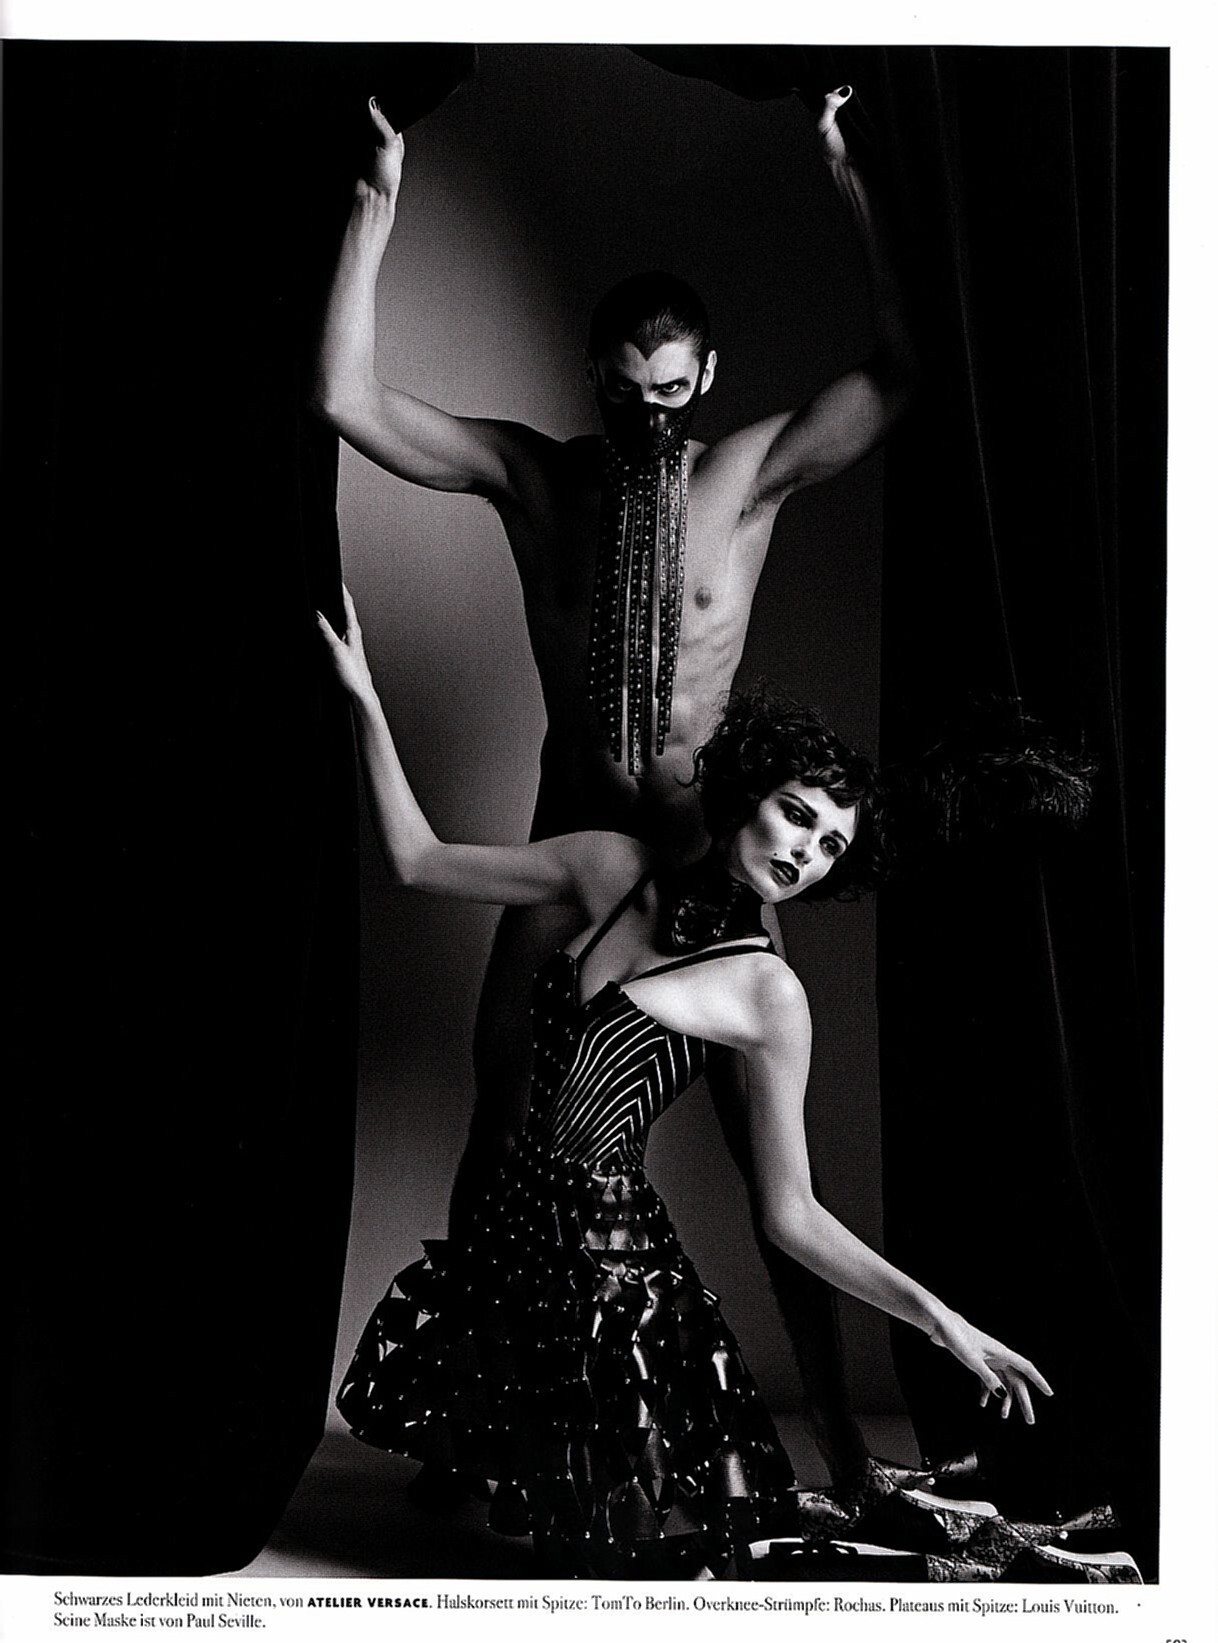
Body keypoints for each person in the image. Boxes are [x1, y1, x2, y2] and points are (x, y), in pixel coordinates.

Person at [312, 85, 916, 1486]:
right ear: (596, 376)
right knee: (503, 1105)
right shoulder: (540, 482)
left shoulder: (746, 477)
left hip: (699, 848)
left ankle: (839, 1432)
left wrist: (849, 176)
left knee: (768, 1156)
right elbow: (346, 400)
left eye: (674, 394)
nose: (651, 416)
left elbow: (898, 369)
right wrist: (377, 208)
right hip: (573, 834)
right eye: (628, 393)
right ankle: (478, 1427)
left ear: (704, 380)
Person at [318, 586, 1051, 1580]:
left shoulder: (768, 993)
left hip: (612, 1280)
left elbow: (793, 1212)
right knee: (554, 1540)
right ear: (748, 792)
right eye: (797, 814)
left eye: (829, 845)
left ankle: (963, 1558)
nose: (802, 850)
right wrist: (364, 697)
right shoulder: (608, 864)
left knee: (649, 1567)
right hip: (515, 1248)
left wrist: (940, 1319)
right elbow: (417, 861)